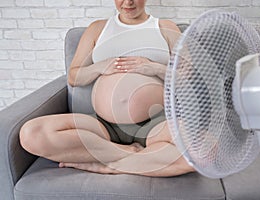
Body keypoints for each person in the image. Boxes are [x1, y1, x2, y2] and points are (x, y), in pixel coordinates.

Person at [19, 0, 195, 177]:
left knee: (200, 150)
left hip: (155, 123)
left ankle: (111, 165)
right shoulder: (97, 29)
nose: (128, 2)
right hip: (101, 126)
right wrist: (99, 67)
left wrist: (154, 67)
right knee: (31, 134)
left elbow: (187, 77)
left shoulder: (165, 27)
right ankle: (128, 156)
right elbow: (74, 77)